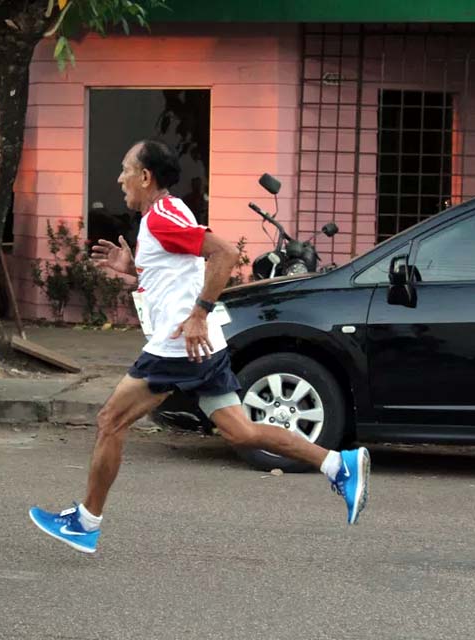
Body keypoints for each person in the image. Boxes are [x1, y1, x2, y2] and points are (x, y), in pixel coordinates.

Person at [29, 140, 371, 555]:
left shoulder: (161, 218)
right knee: (240, 432)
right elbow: (179, 272)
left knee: (110, 422)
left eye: (124, 169)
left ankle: (86, 521)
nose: (119, 178)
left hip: (178, 345)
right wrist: (134, 269)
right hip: (202, 346)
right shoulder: (167, 212)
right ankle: (337, 464)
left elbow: (224, 254)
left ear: (145, 176)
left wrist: (198, 314)